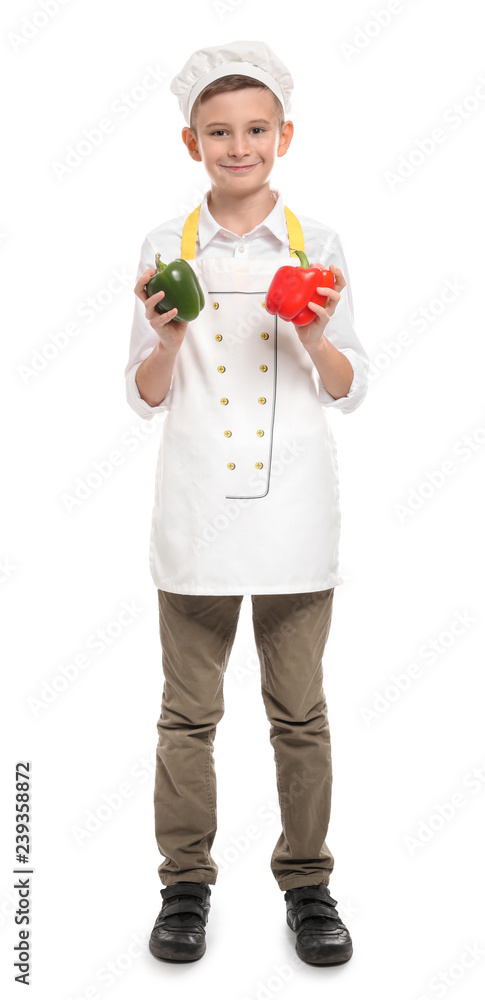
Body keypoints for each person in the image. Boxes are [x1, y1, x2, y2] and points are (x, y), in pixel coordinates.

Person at [125, 39, 370, 967]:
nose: (239, 146)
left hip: (295, 512)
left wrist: (310, 328)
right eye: (218, 131)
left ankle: (308, 884)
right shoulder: (162, 248)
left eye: (255, 129)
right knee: (187, 716)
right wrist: (162, 339)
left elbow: (347, 387)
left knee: (298, 713)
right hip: (195, 512)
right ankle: (183, 883)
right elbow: (145, 394)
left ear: (284, 135)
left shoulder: (319, 247)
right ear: (191, 143)